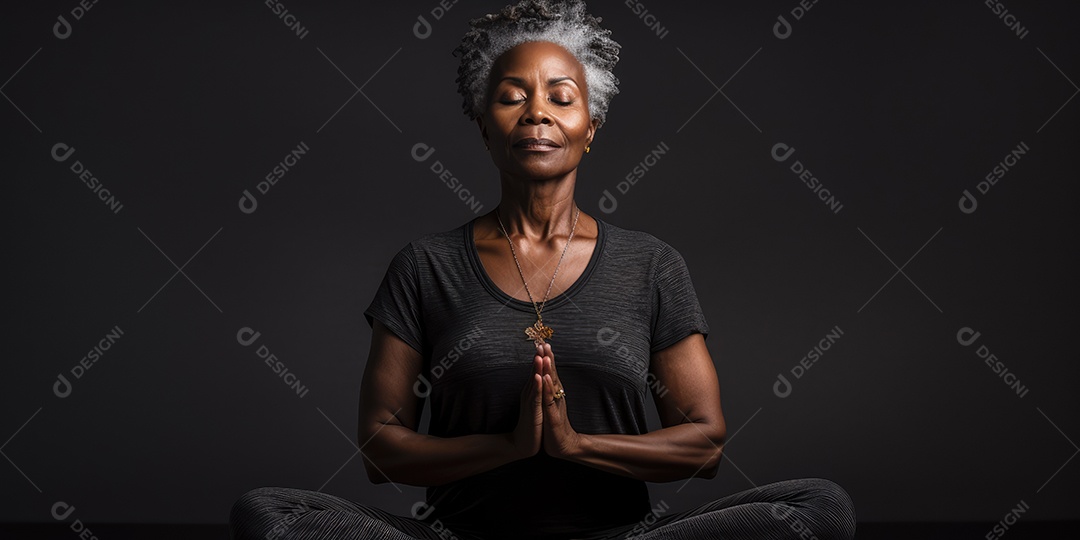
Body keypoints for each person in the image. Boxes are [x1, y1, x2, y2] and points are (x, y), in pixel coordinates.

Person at [230, 1, 857, 538]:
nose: (537, 112)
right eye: (511, 98)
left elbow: (705, 443)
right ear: (484, 126)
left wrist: (577, 446)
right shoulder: (425, 266)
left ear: (590, 127)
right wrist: (505, 449)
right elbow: (379, 449)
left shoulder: (651, 264)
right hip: (461, 535)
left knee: (819, 507)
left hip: (618, 535)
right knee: (270, 514)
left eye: (561, 96)